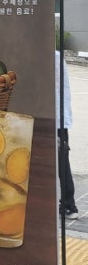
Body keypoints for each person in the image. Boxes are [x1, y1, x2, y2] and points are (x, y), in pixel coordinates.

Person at [56, 50, 78, 219]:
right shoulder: (56, 56)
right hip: (59, 117)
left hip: (57, 118)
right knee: (62, 160)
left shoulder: (55, 57)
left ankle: (69, 204)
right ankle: (68, 204)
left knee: (62, 161)